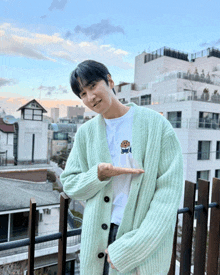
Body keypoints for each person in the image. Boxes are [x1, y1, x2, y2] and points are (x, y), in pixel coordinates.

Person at [60, 60, 184, 275]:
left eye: (92, 86)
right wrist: (97, 175)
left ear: (109, 80)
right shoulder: (86, 133)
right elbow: (70, 183)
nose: (90, 97)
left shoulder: (156, 125)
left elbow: (168, 192)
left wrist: (134, 247)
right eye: (82, 94)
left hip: (138, 236)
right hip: (97, 237)